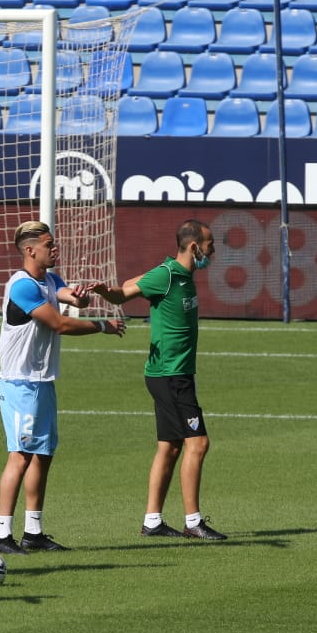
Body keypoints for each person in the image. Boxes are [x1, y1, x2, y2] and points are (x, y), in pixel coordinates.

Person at [0, 222, 126, 555]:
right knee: (19, 456)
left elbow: (69, 299)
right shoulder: (22, 286)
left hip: (43, 383)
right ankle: (2, 536)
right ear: (30, 250)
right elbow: (60, 323)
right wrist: (102, 326)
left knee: (43, 455)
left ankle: (33, 533)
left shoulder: (49, 280)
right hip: (20, 383)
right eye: (49, 244)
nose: (56, 248)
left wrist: (83, 295)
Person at [93, 219, 227, 541]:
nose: (213, 251)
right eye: (210, 245)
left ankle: (152, 521)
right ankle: (193, 522)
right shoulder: (167, 275)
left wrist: (115, 289)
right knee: (199, 443)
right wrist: (105, 293)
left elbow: (130, 282)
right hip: (171, 376)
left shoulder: (179, 274)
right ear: (194, 247)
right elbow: (125, 291)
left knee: (169, 447)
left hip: (174, 374)